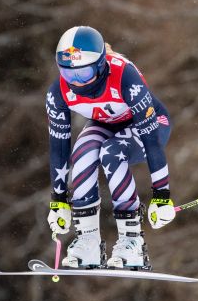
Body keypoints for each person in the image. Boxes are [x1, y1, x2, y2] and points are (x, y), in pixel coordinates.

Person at [46, 26, 176, 269]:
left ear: (100, 65)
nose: (75, 82)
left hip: (151, 126)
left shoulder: (125, 78)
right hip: (108, 124)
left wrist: (162, 196)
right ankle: (88, 241)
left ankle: (132, 241)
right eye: (67, 73)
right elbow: (58, 146)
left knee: (111, 152)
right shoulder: (59, 93)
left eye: (83, 74)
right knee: (83, 150)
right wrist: (59, 200)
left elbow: (151, 139)